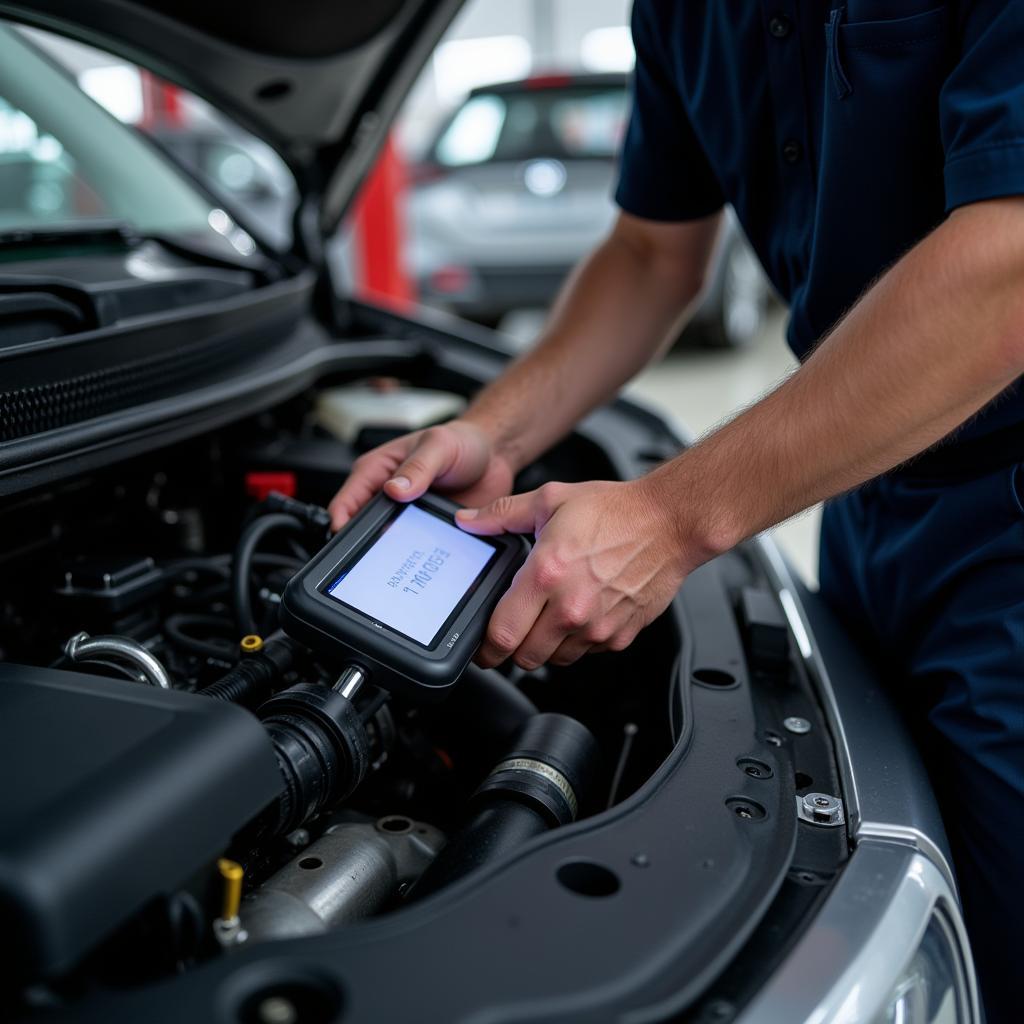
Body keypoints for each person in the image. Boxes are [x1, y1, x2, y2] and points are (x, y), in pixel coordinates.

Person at [331, 2, 1023, 1017]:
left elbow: (1008, 261)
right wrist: (498, 431)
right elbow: (653, 253)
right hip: (867, 489)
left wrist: (670, 517)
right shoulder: (679, 13)